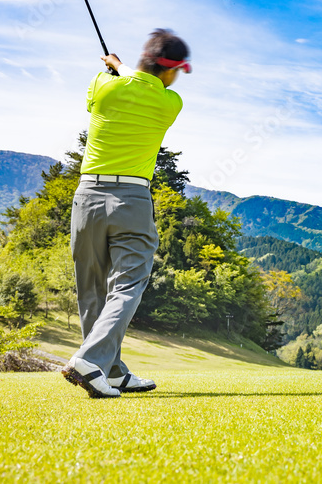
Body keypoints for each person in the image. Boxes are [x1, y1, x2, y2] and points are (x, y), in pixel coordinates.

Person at [61, 28, 191, 399]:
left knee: (92, 289)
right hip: (132, 198)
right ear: (169, 71)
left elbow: (118, 84)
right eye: (178, 70)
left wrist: (115, 67)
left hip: (86, 196)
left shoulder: (103, 86)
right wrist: (120, 67)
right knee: (127, 285)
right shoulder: (171, 103)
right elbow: (145, 85)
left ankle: (112, 372)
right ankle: (90, 361)